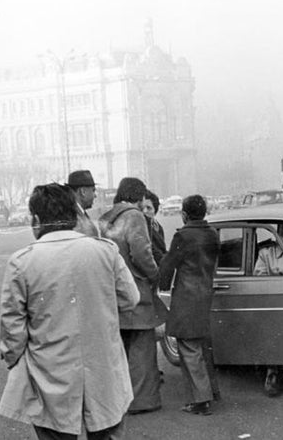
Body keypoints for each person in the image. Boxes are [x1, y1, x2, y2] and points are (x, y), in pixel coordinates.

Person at [0, 183, 139, 440]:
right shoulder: (105, 250)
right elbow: (130, 298)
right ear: (74, 217)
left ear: (37, 220)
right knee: (108, 430)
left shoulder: (22, 261)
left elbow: (12, 330)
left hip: (49, 374)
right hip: (104, 368)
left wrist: (13, 358)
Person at [99, 177, 168, 414]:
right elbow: (142, 253)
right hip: (137, 293)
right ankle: (142, 401)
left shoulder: (105, 218)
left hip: (111, 293)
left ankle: (120, 401)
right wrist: (155, 275)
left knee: (120, 350)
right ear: (138, 196)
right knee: (142, 350)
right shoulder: (134, 216)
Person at [159, 195, 220, 415]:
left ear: (184, 214)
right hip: (205, 294)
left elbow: (169, 264)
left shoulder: (182, 236)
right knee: (202, 346)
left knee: (188, 348)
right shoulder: (212, 234)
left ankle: (200, 400)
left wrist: (162, 283)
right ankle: (211, 392)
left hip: (186, 297)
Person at [253, 223, 283, 397]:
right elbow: (259, 280)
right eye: (282, 236)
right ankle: (272, 373)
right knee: (274, 324)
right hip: (274, 303)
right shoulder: (266, 253)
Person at [67, 169, 99, 237]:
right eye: (93, 190)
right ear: (83, 191)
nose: (95, 195)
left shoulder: (78, 214)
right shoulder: (75, 219)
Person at [141, 189, 167, 264]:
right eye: (142, 208)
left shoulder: (158, 227)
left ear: (155, 211)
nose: (145, 211)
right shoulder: (139, 229)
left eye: (148, 208)